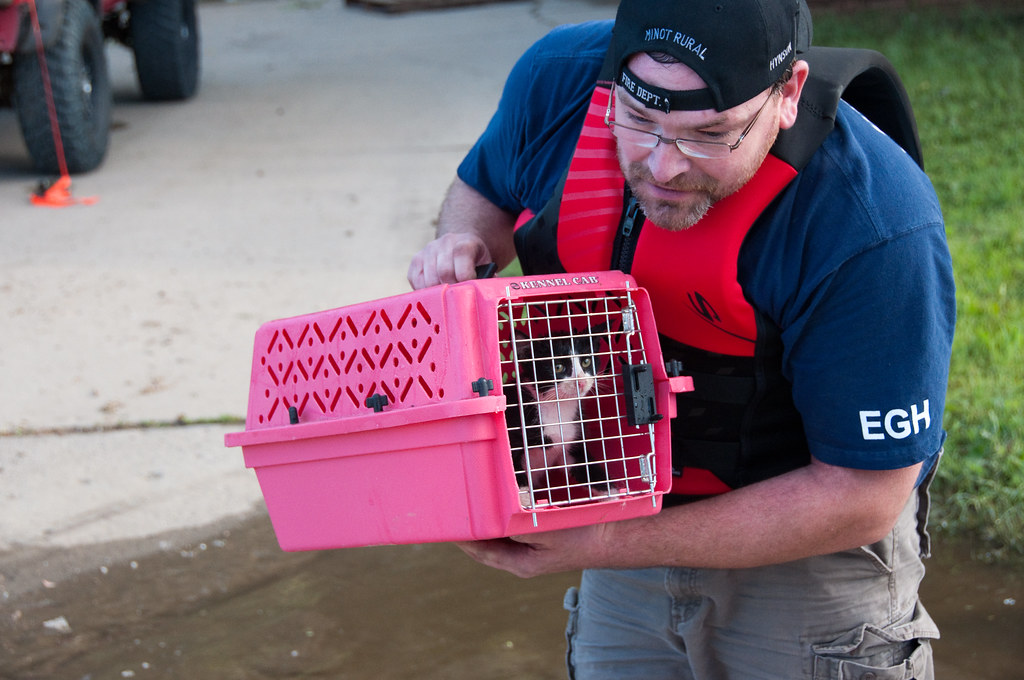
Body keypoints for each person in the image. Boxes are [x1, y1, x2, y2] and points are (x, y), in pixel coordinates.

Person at [408, 0, 956, 677]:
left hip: (809, 554)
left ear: (786, 95)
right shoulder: (561, 78)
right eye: (639, 122)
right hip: (619, 507)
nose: (663, 166)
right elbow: (484, 185)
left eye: (709, 133)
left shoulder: (871, 221)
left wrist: (606, 539)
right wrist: (462, 243)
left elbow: (865, 497)